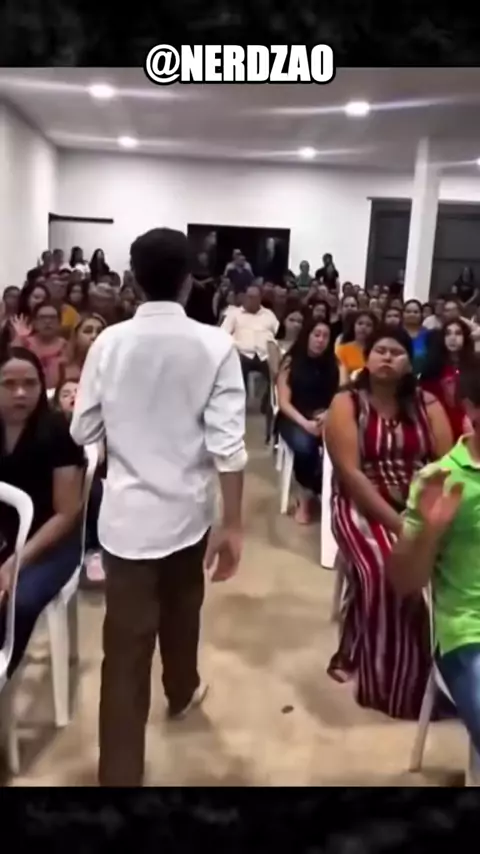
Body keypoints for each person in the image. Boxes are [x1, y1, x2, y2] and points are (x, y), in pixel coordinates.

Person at [70, 227, 247, 787]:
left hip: (126, 521)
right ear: (190, 281)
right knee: (183, 607)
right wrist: (234, 524)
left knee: (125, 651)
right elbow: (228, 447)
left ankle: (119, 775)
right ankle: (181, 691)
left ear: (134, 280)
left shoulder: (108, 343)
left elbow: (83, 428)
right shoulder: (215, 346)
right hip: (189, 514)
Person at [324, 326, 453, 718]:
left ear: (409, 363)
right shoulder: (347, 402)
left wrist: (428, 517)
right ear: (367, 358)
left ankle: (445, 671)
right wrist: (401, 527)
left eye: (396, 352)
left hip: (418, 502)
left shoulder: (427, 403)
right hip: (360, 504)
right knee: (389, 572)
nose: (387, 357)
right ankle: (390, 688)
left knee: (456, 569)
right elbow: (351, 475)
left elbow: (446, 465)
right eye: (379, 350)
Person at [387, 359, 480, 766]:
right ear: (472, 408)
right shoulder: (441, 480)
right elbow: (404, 582)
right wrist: (429, 532)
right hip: (469, 632)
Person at [0, 347, 84, 678]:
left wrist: (15, 563)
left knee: (18, 602)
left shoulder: (57, 432)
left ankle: (4, 668)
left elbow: (66, 513)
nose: (21, 393)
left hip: (52, 542)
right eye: (9, 384)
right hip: (5, 535)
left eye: (30, 383)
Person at [277, 320, 339, 524]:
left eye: (325, 336)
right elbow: (284, 403)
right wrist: (305, 423)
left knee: (344, 443)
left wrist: (329, 414)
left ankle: (327, 491)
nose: (320, 340)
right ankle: (307, 497)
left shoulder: (335, 363)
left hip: (326, 416)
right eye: (316, 334)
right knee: (305, 446)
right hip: (294, 416)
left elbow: (344, 396)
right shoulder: (290, 362)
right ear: (307, 336)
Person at [420, 319, 473, 441]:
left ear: (465, 337)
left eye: (458, 333)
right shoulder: (432, 369)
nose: (452, 338)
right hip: (440, 429)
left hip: (471, 428)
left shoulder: (474, 366)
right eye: (448, 334)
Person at [221, 283, 279, 393]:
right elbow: (223, 334)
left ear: (260, 299)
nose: (251, 300)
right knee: (239, 368)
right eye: (249, 297)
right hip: (242, 353)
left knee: (277, 369)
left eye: (254, 297)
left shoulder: (268, 314)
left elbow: (278, 333)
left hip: (265, 354)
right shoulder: (234, 313)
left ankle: (269, 401)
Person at [11, 302, 68, 390]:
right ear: (34, 322)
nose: (47, 321)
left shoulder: (67, 346)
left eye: (52, 317)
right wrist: (19, 338)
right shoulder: (23, 343)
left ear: (59, 322)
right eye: (42, 317)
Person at [62, 313, 107, 382]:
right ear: (75, 336)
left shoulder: (113, 366)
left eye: (99, 331)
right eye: (88, 331)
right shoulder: (61, 368)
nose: (94, 336)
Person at [335, 311, 375, 378]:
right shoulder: (342, 350)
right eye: (360, 323)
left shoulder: (377, 349)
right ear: (354, 326)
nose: (363, 327)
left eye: (368, 325)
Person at [267, 309, 303, 377]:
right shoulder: (273, 344)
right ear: (284, 321)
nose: (296, 324)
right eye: (291, 320)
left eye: (299, 321)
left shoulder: (305, 345)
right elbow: (275, 371)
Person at [402, 299, 430, 372]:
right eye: (408, 312)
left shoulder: (429, 335)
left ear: (421, 314)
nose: (412, 314)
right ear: (403, 314)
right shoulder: (395, 333)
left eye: (416, 312)